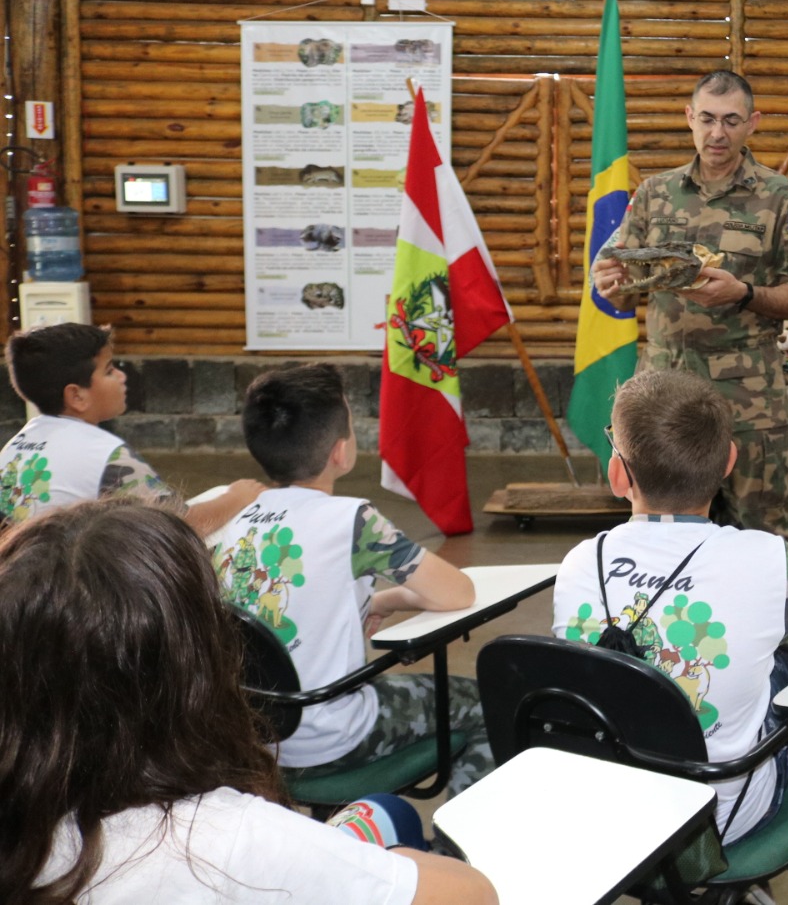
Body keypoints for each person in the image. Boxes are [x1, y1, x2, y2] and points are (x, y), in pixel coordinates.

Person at [0, 499, 496, 904]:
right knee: (399, 814)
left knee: (384, 810)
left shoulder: (26, 826)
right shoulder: (236, 837)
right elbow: (473, 895)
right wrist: (341, 858)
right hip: (336, 763)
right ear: (200, 658)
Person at [550, 369, 788, 844]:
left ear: (617, 472)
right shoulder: (771, 560)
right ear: (729, 461)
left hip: (599, 810)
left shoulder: (578, 563)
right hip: (712, 824)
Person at [211, 363, 490, 795]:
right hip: (331, 736)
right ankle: (452, 855)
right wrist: (398, 597)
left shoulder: (228, 520)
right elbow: (457, 592)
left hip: (250, 739)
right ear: (341, 452)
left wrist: (379, 602)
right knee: (492, 704)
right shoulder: (355, 522)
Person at [591, 70, 788, 533]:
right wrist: (607, 280)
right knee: (661, 531)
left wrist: (744, 293)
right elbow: (620, 266)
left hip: (747, 398)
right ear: (690, 118)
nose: (718, 133)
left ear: (753, 123)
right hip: (663, 396)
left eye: (732, 120)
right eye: (708, 119)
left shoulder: (784, 200)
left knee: (762, 530)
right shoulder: (655, 192)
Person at [0, 322, 261, 535]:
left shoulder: (16, 445)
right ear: (77, 396)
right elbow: (176, 526)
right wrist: (237, 498)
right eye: (110, 370)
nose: (122, 377)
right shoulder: (105, 455)